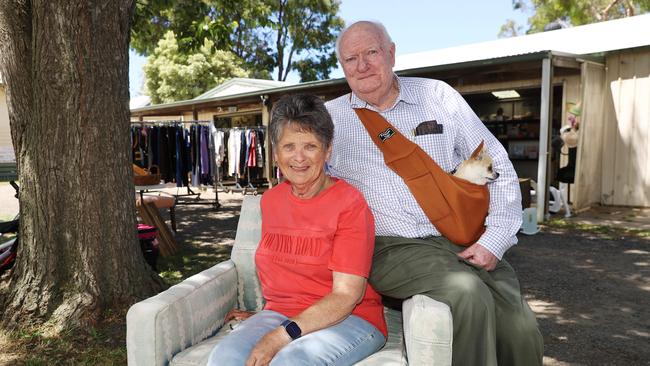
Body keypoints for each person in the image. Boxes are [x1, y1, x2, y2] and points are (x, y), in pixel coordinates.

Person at [325, 20, 544, 366]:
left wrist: (496, 237)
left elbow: (495, 161)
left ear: (392, 53)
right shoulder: (330, 119)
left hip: (460, 234)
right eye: (351, 59)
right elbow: (303, 180)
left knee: (521, 330)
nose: (362, 65)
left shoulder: (437, 96)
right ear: (342, 67)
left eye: (371, 52)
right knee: (467, 294)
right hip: (390, 246)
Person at [207, 93, 387, 366]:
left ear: (327, 150)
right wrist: (264, 320)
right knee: (224, 359)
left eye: (310, 146)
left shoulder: (350, 204)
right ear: (276, 154)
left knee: (290, 362)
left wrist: (280, 336)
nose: (299, 158)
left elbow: (347, 296)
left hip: (351, 318)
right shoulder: (270, 201)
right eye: (289, 146)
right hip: (281, 314)